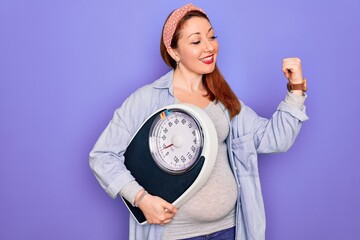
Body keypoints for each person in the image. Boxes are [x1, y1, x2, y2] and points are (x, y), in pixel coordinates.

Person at [89, 3, 308, 240]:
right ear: (174, 52)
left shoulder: (223, 98)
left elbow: (275, 140)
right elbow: (102, 156)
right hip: (175, 235)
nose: (209, 47)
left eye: (212, 37)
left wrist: (295, 90)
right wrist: (140, 199)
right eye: (196, 41)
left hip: (230, 230)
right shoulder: (147, 100)